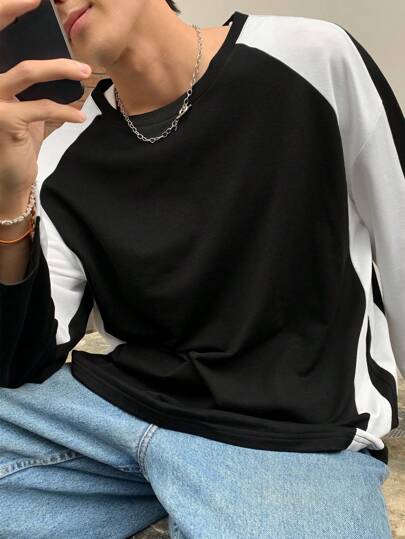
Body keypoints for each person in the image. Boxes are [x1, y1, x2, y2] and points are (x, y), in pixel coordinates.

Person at [0, 0, 403, 537]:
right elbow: (25, 358)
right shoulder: (59, 149)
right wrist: (9, 197)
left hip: (287, 435)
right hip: (108, 412)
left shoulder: (310, 56)